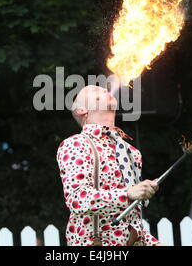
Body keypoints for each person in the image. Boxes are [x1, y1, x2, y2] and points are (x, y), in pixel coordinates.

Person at [56, 84, 162, 246]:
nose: (103, 89)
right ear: (81, 110)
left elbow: (130, 217)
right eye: (93, 91)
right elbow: (78, 199)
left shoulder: (131, 152)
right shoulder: (76, 144)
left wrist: (152, 242)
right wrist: (127, 194)